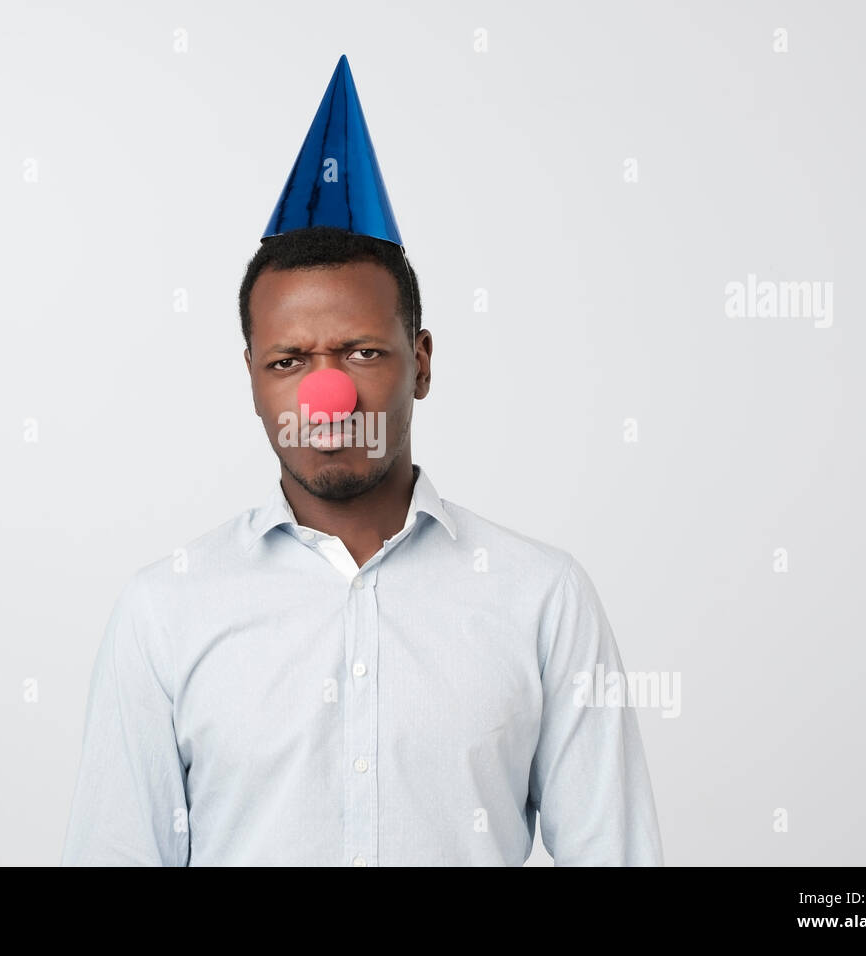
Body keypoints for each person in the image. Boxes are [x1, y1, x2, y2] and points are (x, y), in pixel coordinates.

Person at [61, 55, 663, 866]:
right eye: (289, 361)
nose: (327, 397)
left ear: (421, 361)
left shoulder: (543, 600)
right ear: (251, 379)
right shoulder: (164, 612)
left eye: (361, 351)